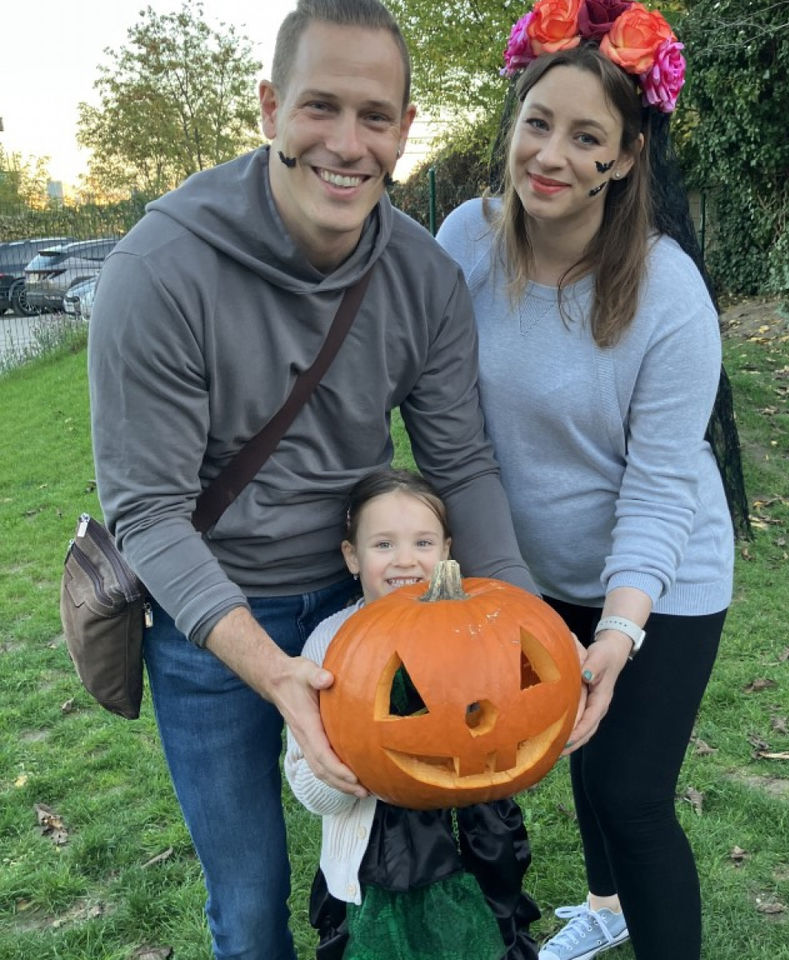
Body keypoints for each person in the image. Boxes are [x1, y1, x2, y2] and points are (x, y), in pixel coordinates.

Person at [87, 1, 537, 956]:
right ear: (269, 108)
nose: (347, 142)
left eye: (375, 116)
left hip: (364, 604)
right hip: (206, 618)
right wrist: (271, 672)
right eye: (319, 107)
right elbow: (149, 512)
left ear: (406, 130)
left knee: (383, 879)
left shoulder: (423, 278)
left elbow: (460, 461)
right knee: (248, 905)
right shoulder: (159, 270)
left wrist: (524, 626)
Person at [436, 3, 742, 959]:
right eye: (538, 123)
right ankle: (605, 909)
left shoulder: (668, 294)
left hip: (663, 574)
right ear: (511, 122)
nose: (552, 156)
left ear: (625, 157)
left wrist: (618, 626)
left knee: (632, 794)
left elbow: (662, 488)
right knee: (578, 749)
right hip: (532, 572)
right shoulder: (462, 243)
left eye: (586, 136)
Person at [286, 468, 540, 960]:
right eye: (383, 545)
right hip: (371, 860)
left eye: (423, 542)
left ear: (446, 551)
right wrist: (358, 766)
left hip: (474, 847)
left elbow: (517, 725)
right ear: (351, 557)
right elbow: (304, 776)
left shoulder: (481, 633)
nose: (406, 560)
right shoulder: (330, 644)